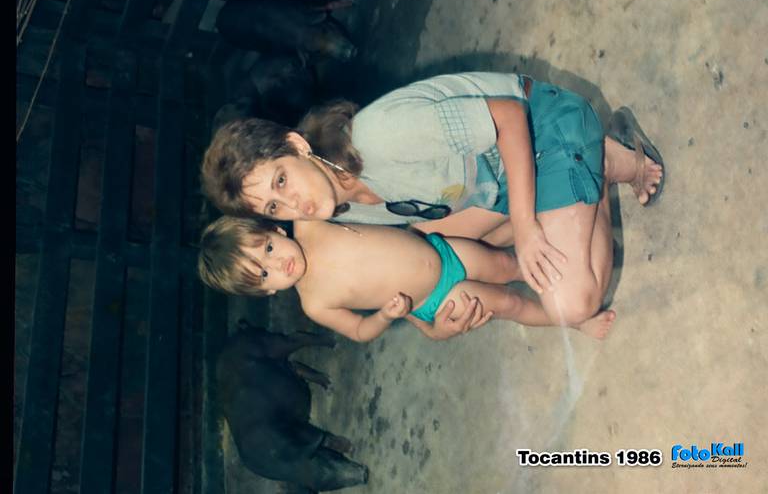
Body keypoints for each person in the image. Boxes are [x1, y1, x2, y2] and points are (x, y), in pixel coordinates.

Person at [201, 72, 664, 338]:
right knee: (430, 239)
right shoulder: (334, 212)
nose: (294, 204)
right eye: (275, 208)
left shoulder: (380, 135)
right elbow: (397, 270)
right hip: (493, 182)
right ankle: (566, 192)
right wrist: (433, 327)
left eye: (281, 180)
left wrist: (526, 227)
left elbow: (509, 116)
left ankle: (602, 162)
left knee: (572, 304)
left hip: (540, 128)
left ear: (296, 145)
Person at [197, 216, 615, 341]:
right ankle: (570, 321)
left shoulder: (310, 223)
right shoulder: (314, 303)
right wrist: (383, 315)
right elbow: (359, 331)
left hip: (442, 251)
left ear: (276, 230)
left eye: (269, 248)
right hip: (434, 300)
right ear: (268, 291)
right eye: (265, 273)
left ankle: (565, 277)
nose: (278, 264)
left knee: (508, 265)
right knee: (509, 303)